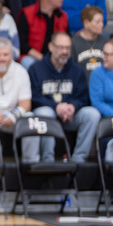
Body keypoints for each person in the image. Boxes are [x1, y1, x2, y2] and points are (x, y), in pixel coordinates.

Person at [28, 31, 101, 162]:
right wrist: (56, 107)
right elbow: (34, 98)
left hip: (70, 116)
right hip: (48, 114)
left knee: (92, 114)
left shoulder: (77, 70)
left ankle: (79, 158)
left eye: (67, 48)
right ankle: (47, 159)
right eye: (61, 47)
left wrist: (72, 106)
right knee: (44, 112)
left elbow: (83, 98)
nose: (65, 51)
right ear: (51, 47)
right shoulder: (36, 69)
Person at [17, 0, 68, 67]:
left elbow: (67, 40)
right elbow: (21, 44)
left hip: (57, 57)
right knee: (29, 63)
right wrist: (42, 58)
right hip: (32, 57)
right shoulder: (27, 14)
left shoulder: (62, 16)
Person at [90, 36, 113, 115]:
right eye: (103, 53)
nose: (103, 57)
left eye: (107, 54)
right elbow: (97, 103)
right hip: (107, 120)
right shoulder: (97, 73)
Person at [73, 6, 108, 77]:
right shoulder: (74, 43)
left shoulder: (106, 41)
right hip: (82, 85)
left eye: (102, 21)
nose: (102, 25)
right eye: (98, 22)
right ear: (86, 23)